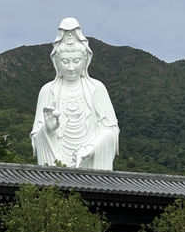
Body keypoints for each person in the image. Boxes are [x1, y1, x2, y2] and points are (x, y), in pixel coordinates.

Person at [30, 17, 119, 170]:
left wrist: (91, 148)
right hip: (56, 162)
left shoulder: (96, 88)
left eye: (76, 60)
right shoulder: (47, 91)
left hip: (90, 161)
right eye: (65, 62)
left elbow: (111, 130)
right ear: (56, 62)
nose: (71, 67)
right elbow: (36, 137)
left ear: (85, 60)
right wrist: (48, 129)